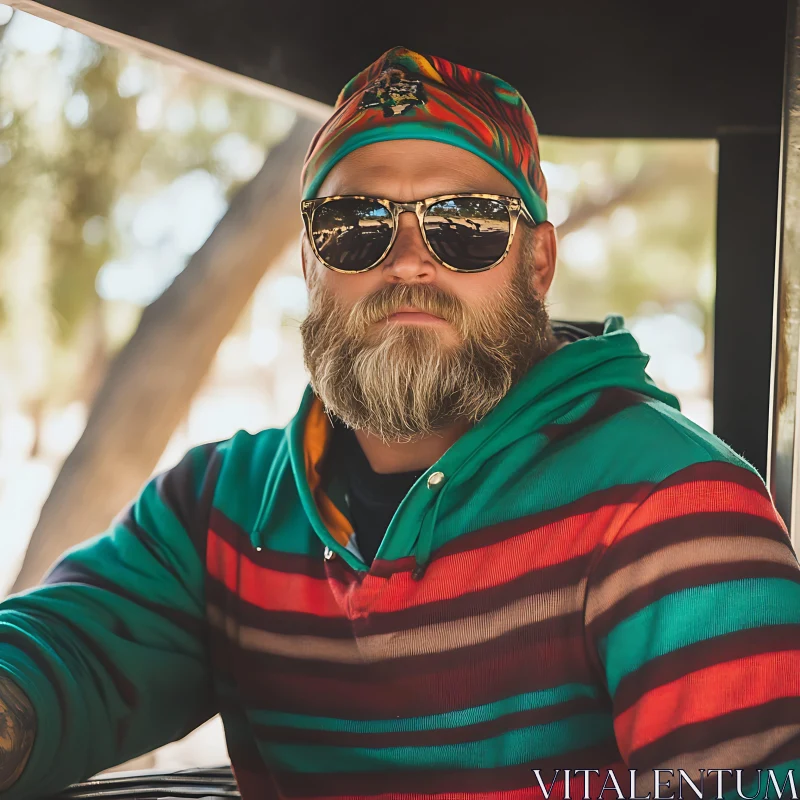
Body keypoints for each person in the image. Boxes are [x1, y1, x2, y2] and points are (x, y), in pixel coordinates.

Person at [0, 45, 799, 800]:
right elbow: (66, 659)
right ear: (311, 264)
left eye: (467, 224)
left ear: (540, 263)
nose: (408, 258)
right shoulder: (218, 508)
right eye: (356, 225)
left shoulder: (675, 508)